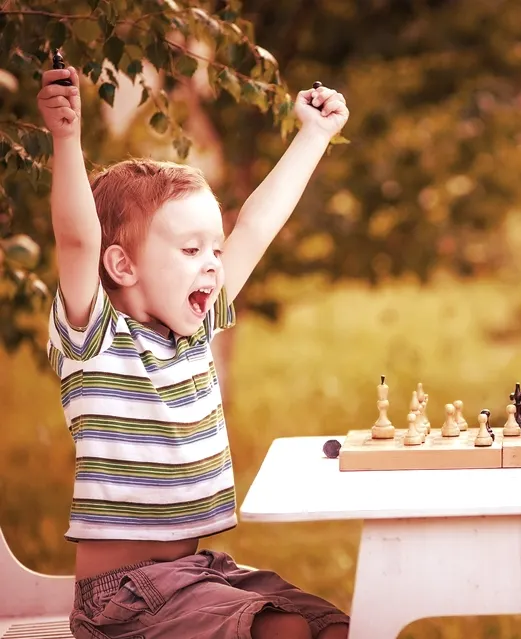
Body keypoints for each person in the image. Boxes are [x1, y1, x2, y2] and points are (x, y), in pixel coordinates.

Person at [36, 59, 351, 639]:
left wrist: (314, 135)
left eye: (215, 249)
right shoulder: (96, 339)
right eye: (190, 250)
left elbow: (255, 226)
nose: (213, 263)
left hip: (197, 574)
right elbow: (78, 239)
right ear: (121, 265)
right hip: (123, 600)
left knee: (334, 627)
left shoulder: (194, 331)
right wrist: (66, 138)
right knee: (285, 632)